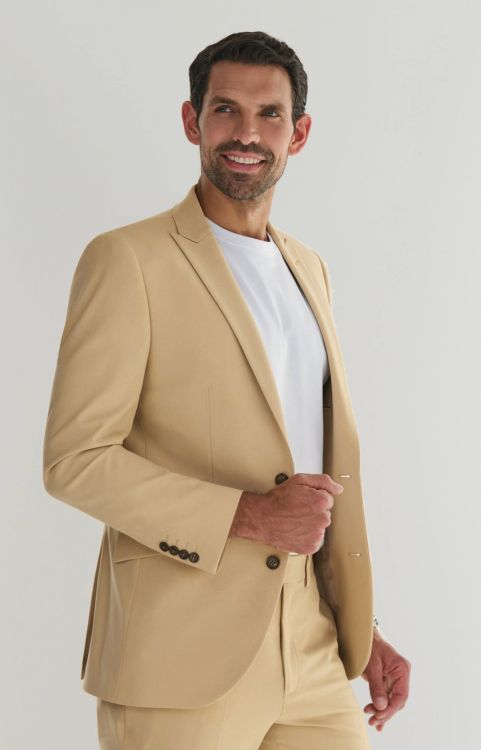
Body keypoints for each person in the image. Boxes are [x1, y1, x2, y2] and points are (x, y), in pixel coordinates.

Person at [42, 30, 410, 749]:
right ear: (193, 121)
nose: (247, 133)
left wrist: (360, 629)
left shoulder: (309, 268)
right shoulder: (128, 260)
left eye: (269, 114)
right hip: (179, 648)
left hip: (311, 643)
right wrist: (249, 516)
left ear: (298, 134)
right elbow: (74, 460)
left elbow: (310, 449)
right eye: (225, 110)